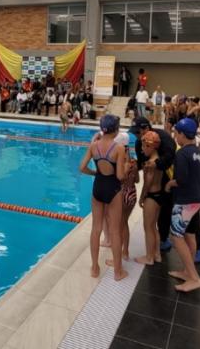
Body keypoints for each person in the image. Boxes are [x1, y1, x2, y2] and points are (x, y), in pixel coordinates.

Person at [78, 115, 128, 281]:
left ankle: (94, 267)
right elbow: (120, 176)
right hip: (113, 188)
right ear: (115, 129)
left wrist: (94, 173)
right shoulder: (119, 148)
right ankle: (118, 272)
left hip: (98, 187)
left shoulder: (94, 146)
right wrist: (127, 167)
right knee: (114, 231)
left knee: (96, 228)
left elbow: (82, 167)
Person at [165, 118, 200, 292]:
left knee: (176, 237)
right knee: (190, 235)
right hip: (197, 199)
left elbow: (180, 180)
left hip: (185, 202)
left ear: (182, 134)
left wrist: (169, 184)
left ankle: (194, 278)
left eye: (176, 133)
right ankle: (187, 272)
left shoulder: (181, 154)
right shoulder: (198, 152)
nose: (174, 136)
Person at [130, 116, 177, 254]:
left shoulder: (165, 139)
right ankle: (157, 251)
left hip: (162, 184)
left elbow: (169, 158)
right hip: (156, 186)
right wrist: (134, 166)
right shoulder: (141, 143)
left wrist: (142, 197)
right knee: (153, 224)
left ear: (146, 128)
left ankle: (157, 247)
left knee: (152, 224)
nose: (136, 137)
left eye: (137, 133)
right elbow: (141, 163)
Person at [135, 130, 167, 266]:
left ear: (150, 146)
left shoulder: (150, 164)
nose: (142, 150)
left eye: (143, 146)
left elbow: (147, 183)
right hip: (159, 195)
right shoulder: (159, 160)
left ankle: (149, 257)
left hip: (151, 197)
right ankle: (157, 254)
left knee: (148, 227)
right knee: (154, 227)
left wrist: (142, 197)